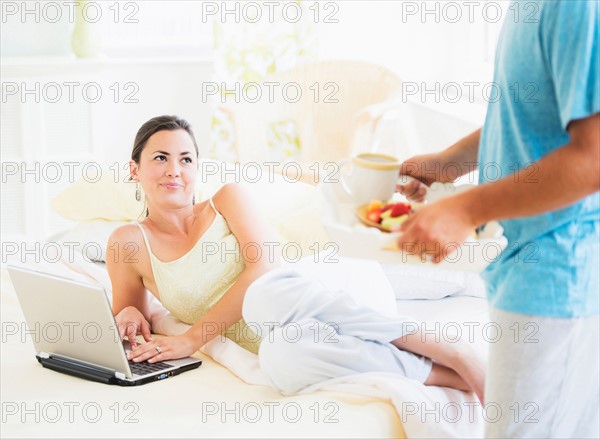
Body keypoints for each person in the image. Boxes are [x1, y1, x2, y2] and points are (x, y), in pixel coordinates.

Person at [108, 115, 485, 402]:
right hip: (286, 338)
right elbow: (130, 313)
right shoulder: (127, 242)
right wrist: (129, 316)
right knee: (282, 362)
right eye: (161, 158)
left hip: (309, 299)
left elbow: (266, 267)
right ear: (134, 169)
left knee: (262, 296)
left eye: (185, 159)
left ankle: (453, 350)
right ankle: (448, 376)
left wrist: (193, 338)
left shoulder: (226, 199)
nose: (175, 170)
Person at [396, 2, 599, 437]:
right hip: (522, 265)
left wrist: (466, 209)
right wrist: (449, 162)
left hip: (559, 276)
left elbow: (593, 158)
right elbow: (532, 119)